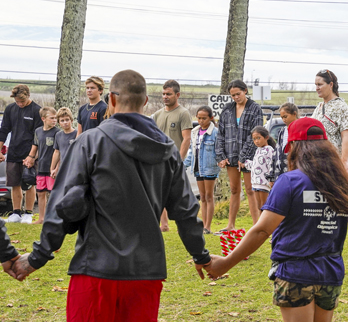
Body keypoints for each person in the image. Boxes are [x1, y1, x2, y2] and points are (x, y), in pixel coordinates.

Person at [10, 70, 212, 321]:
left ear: (112, 100)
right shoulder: (168, 150)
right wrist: (201, 255)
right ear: (146, 101)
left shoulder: (89, 142)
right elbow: (185, 210)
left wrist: (36, 258)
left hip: (95, 270)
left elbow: (62, 204)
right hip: (145, 274)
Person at [205, 118, 348, 322]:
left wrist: (226, 262)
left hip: (295, 273)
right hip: (330, 273)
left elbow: (262, 230)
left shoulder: (289, 181)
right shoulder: (341, 183)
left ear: (294, 147)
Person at [215, 80, 263, 231]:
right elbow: (220, 134)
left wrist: (244, 157)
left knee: (250, 190)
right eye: (233, 95)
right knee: (235, 190)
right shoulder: (227, 110)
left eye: (238, 94)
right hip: (230, 156)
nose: (236, 97)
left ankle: (257, 226)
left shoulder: (255, 108)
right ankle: (230, 225)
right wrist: (221, 155)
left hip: (249, 158)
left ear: (245, 91)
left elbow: (256, 135)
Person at [152, 79, 193, 232]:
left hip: (174, 160)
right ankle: (164, 225)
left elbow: (187, 138)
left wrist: (179, 160)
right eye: (163, 94)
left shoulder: (183, 113)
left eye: (168, 94)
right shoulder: (157, 115)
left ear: (177, 95)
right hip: (159, 160)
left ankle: (185, 223)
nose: (165, 97)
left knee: (176, 195)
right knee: (158, 192)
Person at [0, 84, 43, 224]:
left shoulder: (37, 110)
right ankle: (16, 213)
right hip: (13, 151)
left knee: (29, 183)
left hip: (30, 153)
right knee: (14, 184)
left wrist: (31, 156)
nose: (19, 104)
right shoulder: (10, 109)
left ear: (28, 96)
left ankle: (28, 213)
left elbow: (38, 136)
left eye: (22, 101)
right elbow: (4, 130)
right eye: (17, 101)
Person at [311, 69, 348, 175]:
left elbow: (346, 137)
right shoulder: (318, 108)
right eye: (316, 85)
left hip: (335, 165)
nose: (317, 88)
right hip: (318, 163)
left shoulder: (341, 107)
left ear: (331, 84)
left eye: (320, 84)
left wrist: (344, 162)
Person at [23, 107, 59, 225]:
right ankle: (41, 218)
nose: (55, 120)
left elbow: (59, 151)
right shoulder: (38, 131)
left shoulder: (57, 132)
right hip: (41, 167)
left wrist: (56, 167)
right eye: (52, 118)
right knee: (40, 193)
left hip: (52, 169)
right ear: (43, 119)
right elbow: (38, 148)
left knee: (53, 194)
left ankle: (53, 218)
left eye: (56, 118)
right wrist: (31, 159)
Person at [190, 106, 220, 235]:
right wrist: (184, 164)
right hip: (197, 167)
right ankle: (203, 224)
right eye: (199, 118)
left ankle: (208, 226)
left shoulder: (215, 132)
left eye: (204, 118)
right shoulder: (195, 131)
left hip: (209, 167)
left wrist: (220, 161)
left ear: (211, 118)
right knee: (202, 197)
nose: (201, 121)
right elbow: (192, 151)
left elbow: (218, 150)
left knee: (209, 196)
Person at [266, 103, 299, 186]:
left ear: (294, 114)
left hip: (295, 172)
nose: (284, 120)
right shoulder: (282, 131)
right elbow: (276, 153)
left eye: (285, 116)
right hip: (280, 174)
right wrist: (272, 176)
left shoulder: (300, 130)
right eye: (282, 117)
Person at [244, 126, 276, 212]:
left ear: (266, 137)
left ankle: (267, 225)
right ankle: (261, 224)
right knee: (259, 207)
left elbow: (271, 165)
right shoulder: (258, 150)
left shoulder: (269, 150)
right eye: (254, 139)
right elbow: (256, 165)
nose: (256, 141)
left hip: (264, 183)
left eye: (258, 138)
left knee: (264, 207)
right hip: (255, 183)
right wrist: (246, 163)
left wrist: (271, 179)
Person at [50, 107, 77, 179]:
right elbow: (57, 152)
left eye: (67, 120)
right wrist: (52, 169)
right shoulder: (58, 135)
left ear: (71, 120)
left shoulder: (77, 134)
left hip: (75, 168)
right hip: (63, 168)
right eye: (62, 120)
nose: (65, 122)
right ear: (59, 123)